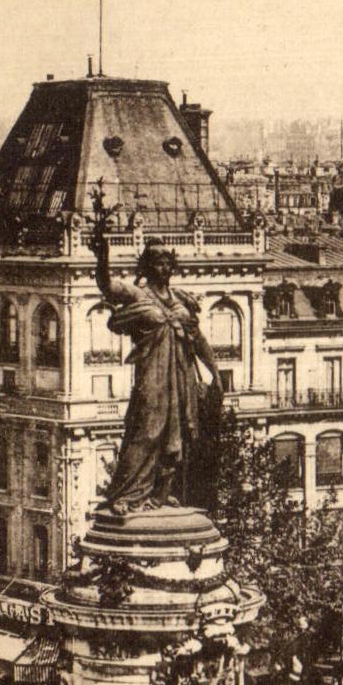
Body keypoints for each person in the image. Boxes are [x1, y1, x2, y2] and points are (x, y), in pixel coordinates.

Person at [89, 204, 222, 514]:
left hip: (181, 377)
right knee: (145, 430)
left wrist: (215, 373)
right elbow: (107, 286)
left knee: (177, 438)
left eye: (166, 262)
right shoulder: (139, 296)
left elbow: (198, 339)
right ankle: (124, 493)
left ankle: (161, 493)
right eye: (156, 262)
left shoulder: (181, 300)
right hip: (153, 377)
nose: (163, 267)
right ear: (146, 267)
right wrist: (103, 254)